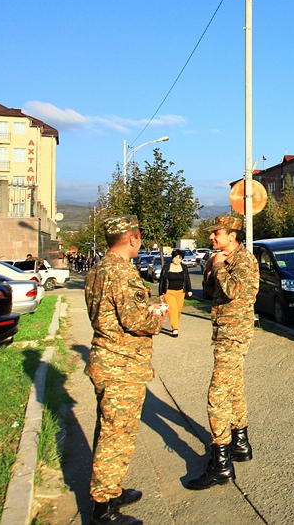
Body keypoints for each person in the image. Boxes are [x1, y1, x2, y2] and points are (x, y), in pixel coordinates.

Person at [84, 215, 165, 525]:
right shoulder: (121, 273)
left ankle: (111, 489)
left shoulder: (99, 269)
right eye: (139, 237)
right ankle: (103, 510)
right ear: (133, 238)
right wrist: (156, 315)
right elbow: (135, 321)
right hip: (121, 367)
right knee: (115, 435)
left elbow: (107, 313)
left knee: (109, 430)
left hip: (108, 360)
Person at [186, 215, 259, 490]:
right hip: (224, 332)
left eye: (216, 233)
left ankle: (221, 464)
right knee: (234, 388)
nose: (212, 238)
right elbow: (209, 293)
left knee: (217, 394)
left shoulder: (244, 260)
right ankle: (240, 444)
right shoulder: (221, 259)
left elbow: (232, 290)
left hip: (235, 334)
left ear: (232, 235)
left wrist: (218, 268)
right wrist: (209, 269)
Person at [158, 249, 192, 338]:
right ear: (172, 257)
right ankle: (175, 329)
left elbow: (187, 279)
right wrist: (160, 293)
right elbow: (162, 280)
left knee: (178, 310)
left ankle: (174, 323)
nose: (178, 260)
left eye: (180, 258)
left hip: (181, 292)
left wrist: (189, 290)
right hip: (169, 292)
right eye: (176, 258)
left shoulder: (184, 267)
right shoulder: (166, 267)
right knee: (173, 309)